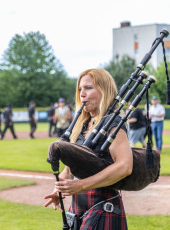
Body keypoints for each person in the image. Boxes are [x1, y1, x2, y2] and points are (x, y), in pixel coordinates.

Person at [44, 69, 132, 229]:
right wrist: (58, 189)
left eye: (88, 88)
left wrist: (82, 185)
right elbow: (69, 170)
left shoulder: (113, 123)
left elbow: (125, 166)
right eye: (80, 89)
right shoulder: (81, 125)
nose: (82, 94)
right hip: (78, 207)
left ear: (104, 90)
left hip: (103, 206)